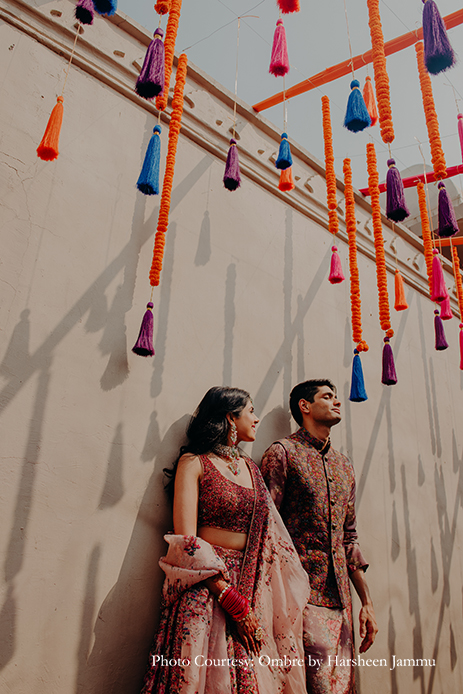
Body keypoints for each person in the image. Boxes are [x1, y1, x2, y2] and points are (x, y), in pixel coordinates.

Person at [140, 386, 310, 694]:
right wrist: (232, 601)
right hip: (206, 590)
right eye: (251, 412)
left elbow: (271, 540)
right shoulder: (194, 462)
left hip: (252, 586)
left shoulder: (251, 469)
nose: (257, 419)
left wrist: (252, 605)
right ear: (230, 418)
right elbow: (186, 542)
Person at [261, 379, 378, 694]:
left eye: (337, 397)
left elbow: (349, 538)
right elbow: (266, 527)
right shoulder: (282, 453)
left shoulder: (344, 466)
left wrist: (366, 603)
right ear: (305, 406)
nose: (337, 401)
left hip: (340, 599)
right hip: (298, 597)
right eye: (328, 396)